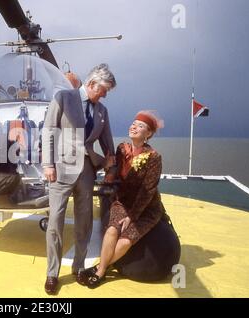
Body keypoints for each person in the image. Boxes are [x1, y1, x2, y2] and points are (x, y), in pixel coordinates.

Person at [41, 63, 117, 294]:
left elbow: (107, 142)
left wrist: (111, 165)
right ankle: (52, 274)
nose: (105, 95)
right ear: (92, 83)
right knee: (55, 220)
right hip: (60, 169)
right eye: (103, 90)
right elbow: (49, 131)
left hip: (86, 171)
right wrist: (48, 164)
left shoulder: (102, 111)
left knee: (84, 222)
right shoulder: (64, 97)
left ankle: (79, 267)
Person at [85, 110, 166, 288]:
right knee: (112, 230)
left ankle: (99, 270)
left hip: (146, 208)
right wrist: (107, 175)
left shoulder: (154, 157)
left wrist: (132, 216)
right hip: (123, 202)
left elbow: (148, 191)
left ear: (149, 134)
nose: (134, 126)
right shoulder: (122, 149)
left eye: (140, 125)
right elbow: (115, 172)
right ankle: (102, 270)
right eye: (133, 123)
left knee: (127, 239)